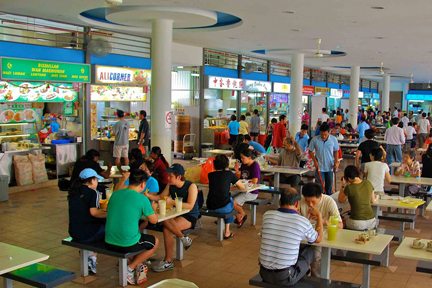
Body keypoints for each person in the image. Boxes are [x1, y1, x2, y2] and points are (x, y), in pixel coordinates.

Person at [259, 188, 323, 286]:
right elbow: (318, 239)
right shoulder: (302, 221)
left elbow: (264, 234)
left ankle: (299, 273)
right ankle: (310, 280)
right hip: (284, 277)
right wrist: (319, 216)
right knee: (309, 251)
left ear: (279, 202)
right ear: (297, 204)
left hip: (263, 273)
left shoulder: (267, 215)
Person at [105, 170, 159, 285]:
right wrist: (153, 208)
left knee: (134, 234)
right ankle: (130, 269)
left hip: (108, 241)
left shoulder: (115, 194)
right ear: (143, 184)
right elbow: (154, 220)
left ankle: (138, 264)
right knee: (155, 241)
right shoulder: (142, 199)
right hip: (126, 243)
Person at [147, 164, 199, 272]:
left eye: (170, 176)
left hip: (190, 216)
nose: (168, 178)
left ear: (179, 177)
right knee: (164, 220)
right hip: (176, 214)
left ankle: (168, 261)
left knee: (167, 229)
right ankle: (184, 238)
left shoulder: (191, 186)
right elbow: (161, 197)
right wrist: (148, 196)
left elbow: (190, 206)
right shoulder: (170, 185)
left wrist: (172, 202)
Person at [299, 182, 342, 277]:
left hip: (322, 238)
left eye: (313, 202)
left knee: (316, 256)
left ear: (320, 197)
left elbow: (340, 225)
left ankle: (317, 280)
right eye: (307, 201)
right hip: (304, 238)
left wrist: (322, 220)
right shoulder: (300, 200)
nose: (310, 204)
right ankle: (299, 277)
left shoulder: (329, 201)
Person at [68, 169, 107, 274]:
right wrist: (110, 213)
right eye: (96, 180)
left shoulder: (74, 191)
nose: (97, 183)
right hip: (87, 234)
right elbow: (94, 213)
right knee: (108, 229)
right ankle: (92, 257)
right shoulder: (93, 192)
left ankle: (89, 254)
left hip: (73, 232)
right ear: (92, 180)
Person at [206, 155, 245, 239]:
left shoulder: (210, 175)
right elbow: (242, 187)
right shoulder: (229, 174)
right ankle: (227, 231)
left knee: (225, 200)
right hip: (223, 208)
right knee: (230, 202)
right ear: (227, 164)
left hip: (210, 206)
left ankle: (236, 218)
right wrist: (234, 187)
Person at [338, 165, 376, 230]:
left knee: (342, 220)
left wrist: (343, 186)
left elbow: (340, 200)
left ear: (348, 178)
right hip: (371, 221)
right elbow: (372, 200)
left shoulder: (349, 187)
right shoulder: (368, 183)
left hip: (357, 222)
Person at [309, 122, 340, 195]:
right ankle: (320, 199)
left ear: (329, 132)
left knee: (329, 185)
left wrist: (336, 162)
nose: (323, 136)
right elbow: (310, 151)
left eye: (325, 135)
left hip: (330, 166)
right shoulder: (315, 139)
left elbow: (336, 151)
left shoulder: (333, 139)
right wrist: (315, 161)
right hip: (319, 166)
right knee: (319, 185)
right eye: (322, 134)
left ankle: (328, 200)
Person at [233, 149, 261, 227]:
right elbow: (239, 178)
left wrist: (245, 182)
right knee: (226, 197)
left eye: (243, 158)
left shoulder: (255, 165)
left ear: (249, 158)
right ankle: (239, 217)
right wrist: (237, 171)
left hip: (251, 192)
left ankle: (242, 214)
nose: (241, 160)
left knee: (232, 203)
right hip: (242, 189)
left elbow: (255, 181)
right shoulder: (243, 165)